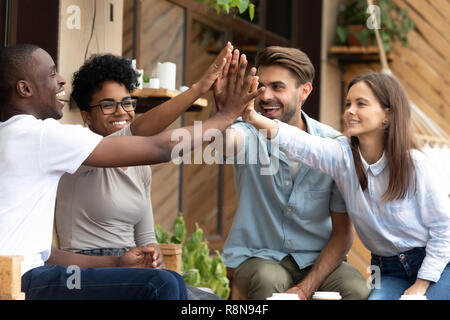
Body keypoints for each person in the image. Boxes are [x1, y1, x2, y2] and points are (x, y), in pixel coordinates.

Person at [0, 43, 261, 300]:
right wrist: (224, 118)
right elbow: (157, 146)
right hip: (27, 280)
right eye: (51, 73)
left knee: (176, 285)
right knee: (160, 286)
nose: (60, 80)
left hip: (37, 276)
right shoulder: (39, 136)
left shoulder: (18, 136)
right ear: (24, 88)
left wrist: (117, 262)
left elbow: (47, 255)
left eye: (127, 102)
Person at [243, 71, 450, 300]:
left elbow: (445, 231)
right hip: (387, 269)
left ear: (387, 115)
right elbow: (299, 144)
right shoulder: (342, 156)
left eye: (361, 104)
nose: (350, 111)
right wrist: (252, 117)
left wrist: (420, 286)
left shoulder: (415, 165)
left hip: (439, 263)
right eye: (348, 103)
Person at [54, 52, 226, 299]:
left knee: (210, 300)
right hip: (90, 271)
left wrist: (155, 259)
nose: (121, 112)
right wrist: (198, 89)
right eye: (107, 105)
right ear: (86, 116)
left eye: (126, 102)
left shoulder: (139, 166)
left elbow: (146, 237)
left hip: (135, 265)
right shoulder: (80, 154)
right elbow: (137, 133)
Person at [213, 46, 371, 300]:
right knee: (269, 280)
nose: (266, 96)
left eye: (278, 87)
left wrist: (306, 288)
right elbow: (221, 143)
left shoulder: (332, 146)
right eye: (261, 86)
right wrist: (222, 113)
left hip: (317, 261)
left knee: (356, 290)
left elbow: (342, 234)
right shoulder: (247, 131)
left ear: (304, 92)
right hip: (258, 258)